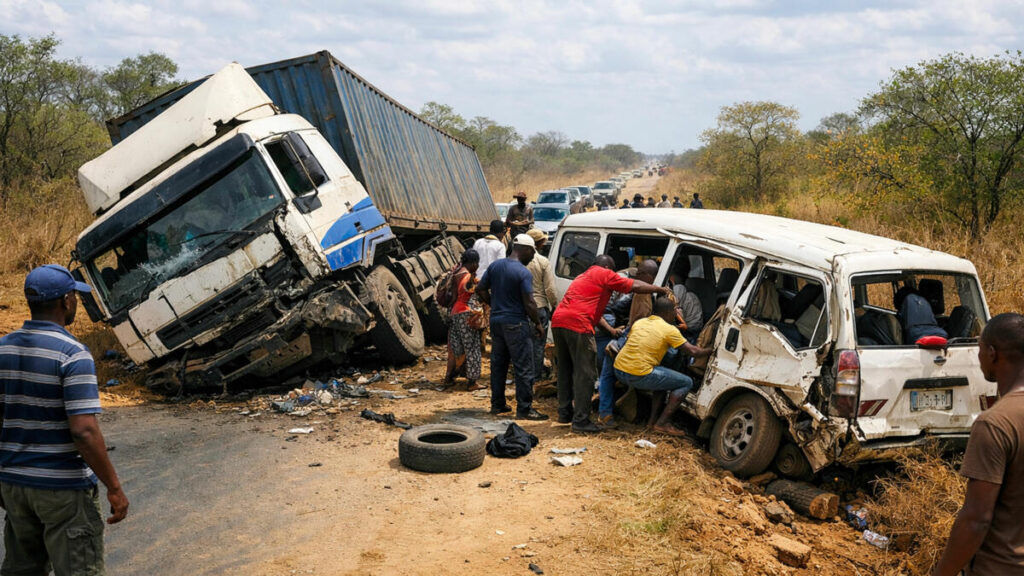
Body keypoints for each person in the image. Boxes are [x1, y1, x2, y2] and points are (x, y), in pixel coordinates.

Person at [0, 265, 129, 575]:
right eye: (74, 296)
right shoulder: (72, 354)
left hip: (14, 486)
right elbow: (84, 432)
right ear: (66, 301)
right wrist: (113, 486)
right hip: (62, 488)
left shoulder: (2, 349)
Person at [932, 313, 1024, 576]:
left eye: (980, 349)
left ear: (993, 354)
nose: (979, 356)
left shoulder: (995, 424)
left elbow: (976, 520)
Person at [551, 255, 669, 433]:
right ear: (606, 267)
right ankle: (581, 421)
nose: (613, 274)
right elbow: (634, 286)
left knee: (565, 370)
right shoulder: (603, 273)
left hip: (559, 322)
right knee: (586, 374)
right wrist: (660, 290)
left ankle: (564, 413)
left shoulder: (582, 277)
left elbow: (595, 314)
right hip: (579, 325)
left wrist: (612, 332)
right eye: (612, 270)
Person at [613, 298, 712, 437]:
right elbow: (694, 352)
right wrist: (712, 350)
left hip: (619, 369)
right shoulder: (670, 329)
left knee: (664, 380)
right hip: (637, 373)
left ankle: (652, 422)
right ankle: (662, 423)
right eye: (675, 310)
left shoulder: (640, 322)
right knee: (686, 382)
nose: (676, 313)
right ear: (667, 312)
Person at [476, 235, 548, 421]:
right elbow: (530, 303)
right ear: (525, 249)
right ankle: (524, 409)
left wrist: (494, 304)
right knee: (523, 367)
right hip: (516, 323)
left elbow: (481, 289)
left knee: (498, 365)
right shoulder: (523, 272)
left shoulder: (495, 266)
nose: (533, 256)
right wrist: (538, 323)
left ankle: (497, 404)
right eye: (532, 252)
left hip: (497, 323)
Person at [444, 250, 483, 391]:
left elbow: (454, 296)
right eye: (477, 263)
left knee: (458, 347)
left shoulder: (456, 273)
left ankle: (452, 376)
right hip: (466, 313)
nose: (477, 266)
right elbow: (470, 292)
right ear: (473, 262)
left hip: (455, 313)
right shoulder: (467, 276)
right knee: (473, 348)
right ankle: (472, 383)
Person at [526, 229, 558, 383]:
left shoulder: (517, 261)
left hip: (521, 308)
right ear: (538, 243)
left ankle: (524, 374)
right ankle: (535, 376)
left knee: (524, 342)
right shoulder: (543, 262)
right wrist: (555, 306)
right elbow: (550, 289)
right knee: (538, 344)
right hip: (539, 307)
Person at [668, 262, 704, 340]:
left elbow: (678, 317)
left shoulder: (677, 290)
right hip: (696, 331)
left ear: (672, 278)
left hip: (689, 333)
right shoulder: (690, 294)